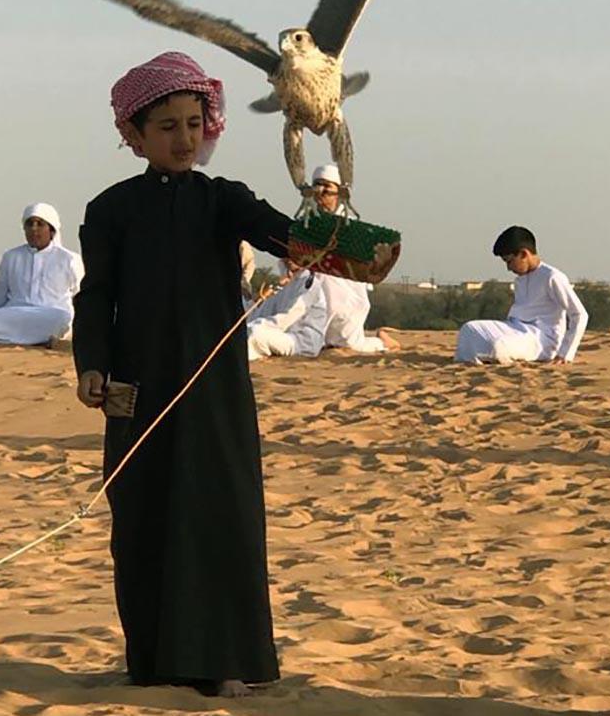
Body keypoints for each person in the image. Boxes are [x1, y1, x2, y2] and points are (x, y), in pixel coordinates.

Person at [72, 51, 294, 697]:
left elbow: (288, 238)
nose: (184, 138)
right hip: (133, 388)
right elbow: (97, 297)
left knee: (219, 515)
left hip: (214, 388)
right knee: (142, 517)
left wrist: (334, 241)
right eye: (166, 126)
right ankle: (154, 661)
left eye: (194, 123)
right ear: (134, 135)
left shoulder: (226, 201)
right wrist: (91, 366)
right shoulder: (110, 209)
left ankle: (223, 663)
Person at [455, 225, 588, 365]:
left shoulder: (552, 277)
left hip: (542, 339)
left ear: (524, 254)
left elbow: (579, 314)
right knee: (469, 329)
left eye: (509, 261)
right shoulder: (520, 280)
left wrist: (565, 354)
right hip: (515, 328)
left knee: (497, 345)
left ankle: (484, 357)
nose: (508, 268)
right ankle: (478, 360)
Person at [307, 163, 400, 353]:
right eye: (317, 185)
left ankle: (383, 342)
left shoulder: (351, 227)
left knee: (350, 344)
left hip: (345, 296)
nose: (320, 191)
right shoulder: (307, 222)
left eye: (327, 187)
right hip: (309, 293)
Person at [0, 202, 83, 346]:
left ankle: (8, 338)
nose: (34, 229)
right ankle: (41, 339)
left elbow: (81, 296)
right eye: (29, 224)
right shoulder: (11, 256)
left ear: (51, 230)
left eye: (40, 224)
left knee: (63, 319)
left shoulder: (69, 259)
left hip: (51, 314)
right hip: (16, 313)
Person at [246, 259, 328, 361]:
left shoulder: (309, 284)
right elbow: (264, 312)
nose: (289, 260)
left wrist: (254, 326)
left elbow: (287, 317)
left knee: (256, 334)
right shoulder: (283, 284)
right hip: (282, 334)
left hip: (302, 341)